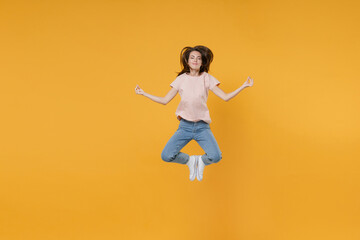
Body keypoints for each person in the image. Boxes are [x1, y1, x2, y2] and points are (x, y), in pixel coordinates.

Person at [135, 45, 254, 181]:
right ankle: (190, 161)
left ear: (202, 62)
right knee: (166, 155)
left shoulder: (207, 78)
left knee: (215, 156)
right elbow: (164, 100)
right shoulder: (181, 80)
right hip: (185, 127)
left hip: (202, 127)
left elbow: (225, 97)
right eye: (192, 58)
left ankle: (201, 161)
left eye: (198, 58)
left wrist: (243, 86)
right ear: (187, 61)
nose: (195, 60)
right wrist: (143, 93)